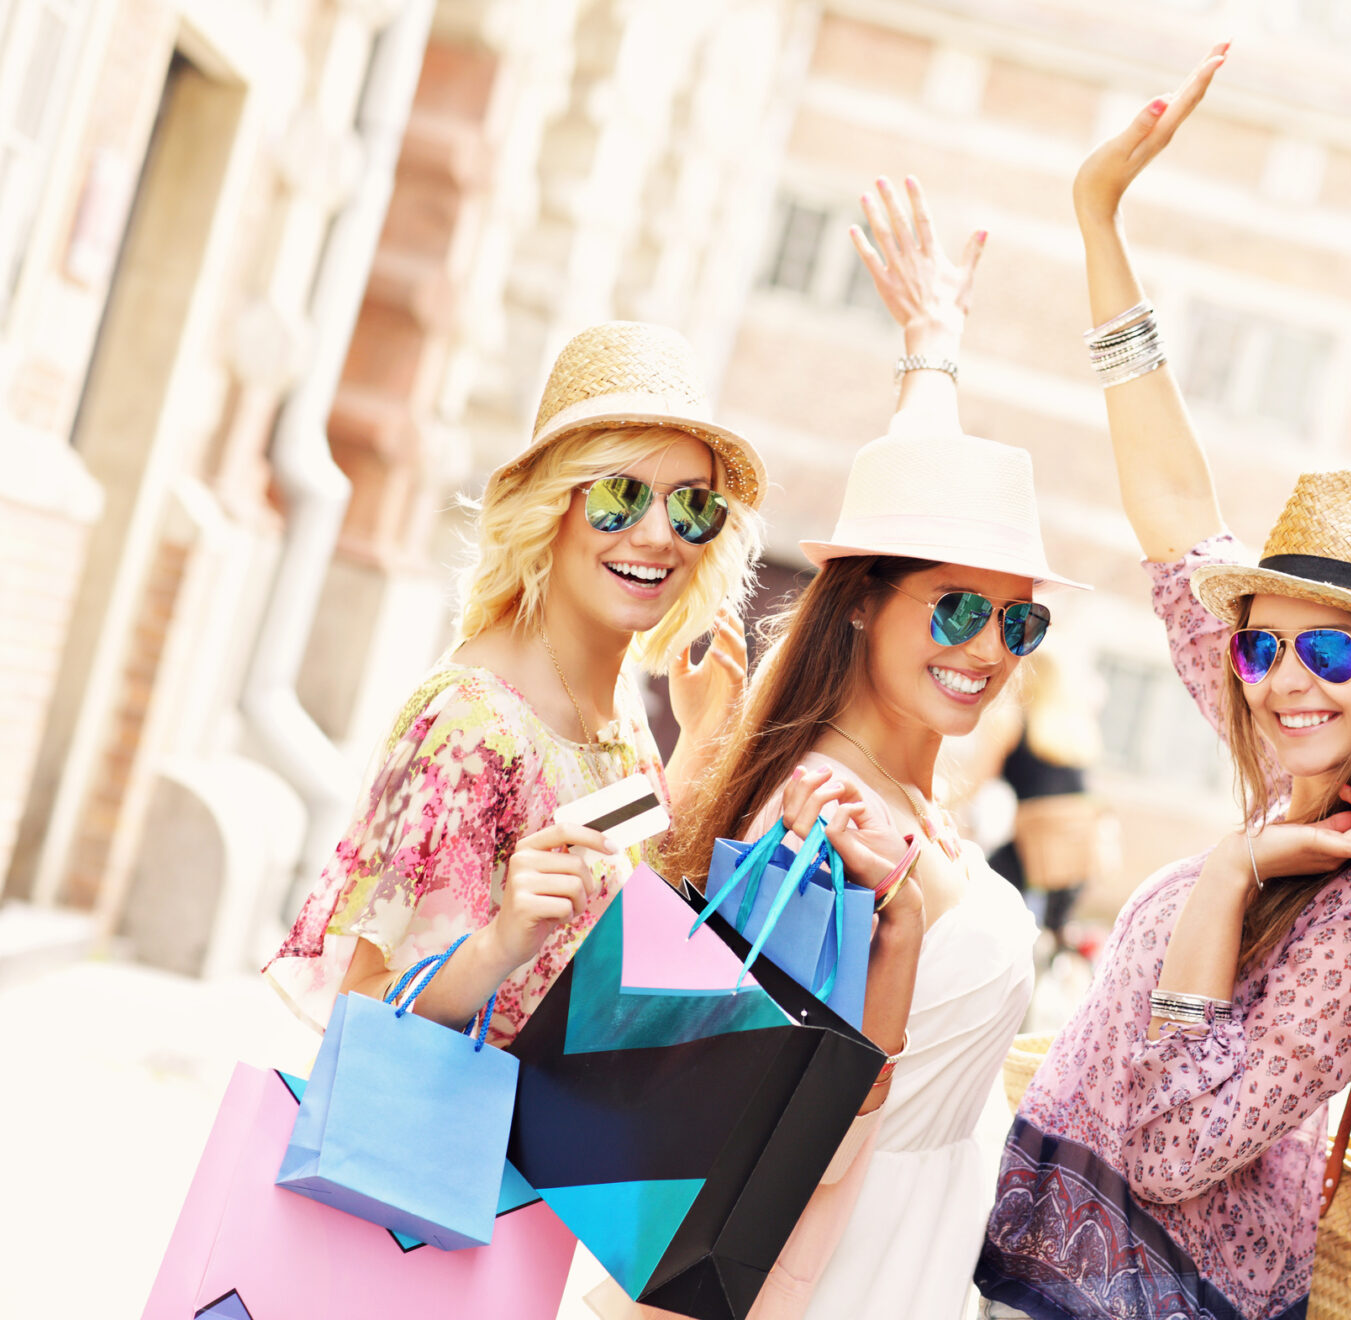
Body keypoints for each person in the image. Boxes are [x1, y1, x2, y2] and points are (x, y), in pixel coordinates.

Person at [976, 47, 1351, 1320]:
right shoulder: (1289, 764)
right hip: (1046, 1270)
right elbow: (1170, 509)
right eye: (1260, 644)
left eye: (1329, 654)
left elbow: (1174, 1152)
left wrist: (1225, 881)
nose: (1278, 682)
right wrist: (1099, 224)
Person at [651, 176, 1084, 1320]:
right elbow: (774, 1126)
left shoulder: (905, 788)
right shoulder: (823, 821)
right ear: (859, 607)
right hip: (837, 1274)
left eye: (1017, 621)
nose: (988, 648)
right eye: (956, 611)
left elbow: (915, 523)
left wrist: (933, 354)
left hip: (914, 1262)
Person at [265, 320, 762, 1045]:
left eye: (690, 505)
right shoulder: (472, 723)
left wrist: (700, 745)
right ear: (551, 506)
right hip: (467, 1148)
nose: (658, 535)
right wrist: (497, 946)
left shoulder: (615, 703)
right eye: (619, 496)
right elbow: (360, 1008)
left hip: (561, 1146)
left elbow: (618, 892)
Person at [981, 649, 1105, 951]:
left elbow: (976, 780)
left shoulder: (1014, 720)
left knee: (982, 893)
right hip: (1077, 846)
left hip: (1036, 842)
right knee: (1051, 929)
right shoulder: (1075, 726)